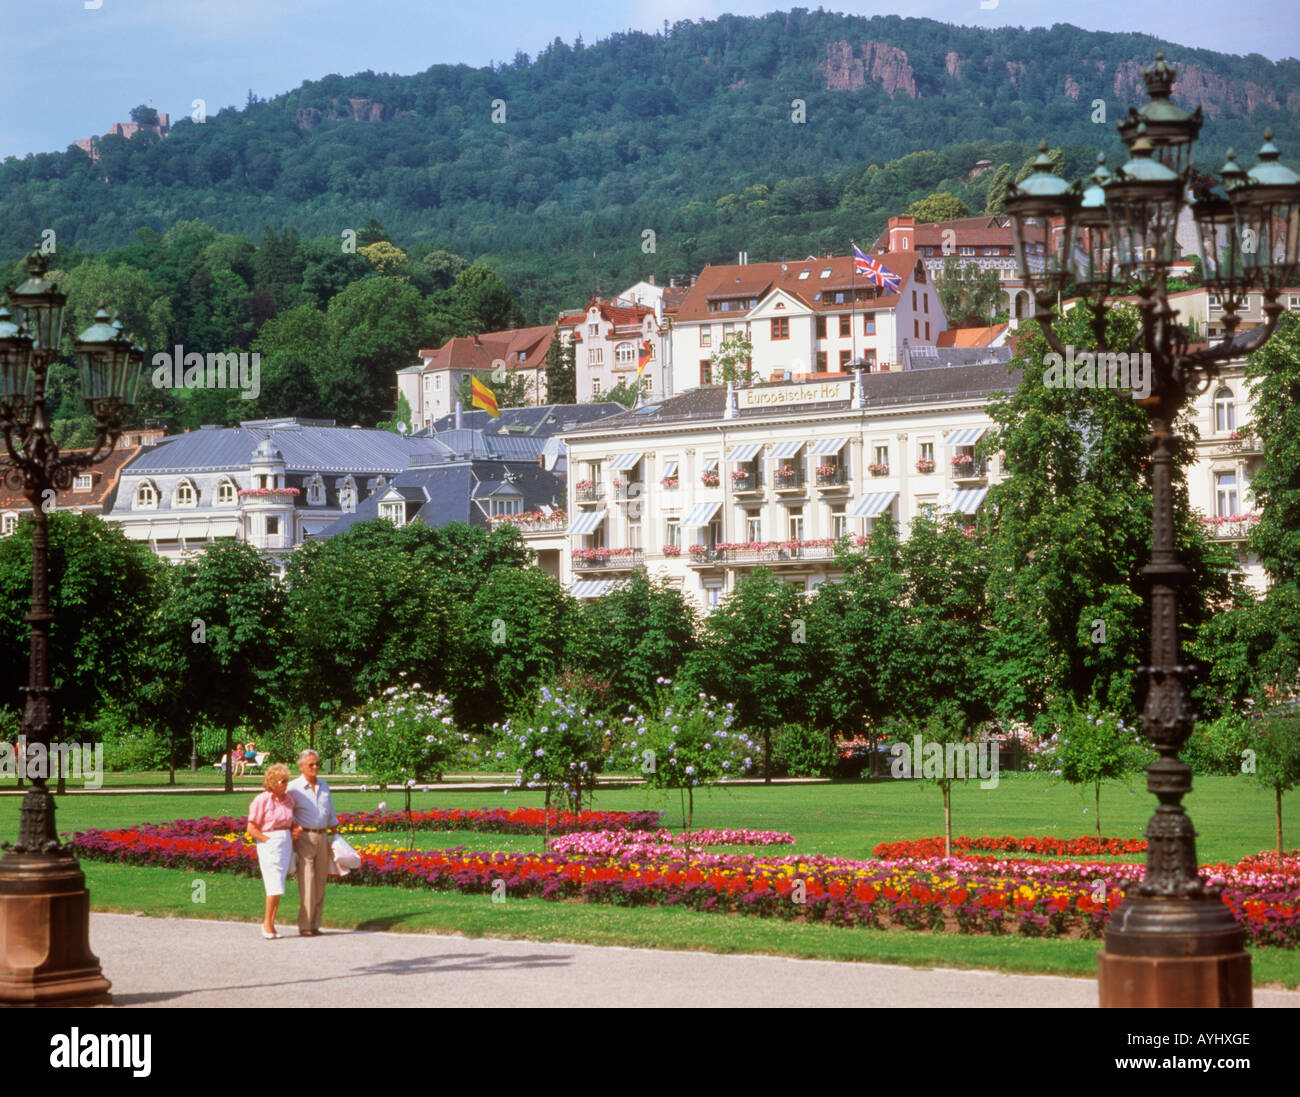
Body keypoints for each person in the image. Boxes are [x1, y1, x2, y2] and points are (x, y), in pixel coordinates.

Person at [287, 749, 339, 937]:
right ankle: (305, 925)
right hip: (305, 837)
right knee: (307, 880)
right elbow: (286, 812)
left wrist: (335, 833)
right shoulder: (293, 788)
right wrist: (293, 827)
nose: (315, 767)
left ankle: (315, 923)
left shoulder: (324, 785)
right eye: (311, 764)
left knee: (320, 881)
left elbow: (330, 811)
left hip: (323, 836)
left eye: (317, 764)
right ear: (301, 767)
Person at [246, 763, 301, 939]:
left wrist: (295, 829)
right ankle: (267, 924)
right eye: (282, 781)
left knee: (279, 885)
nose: (286, 784)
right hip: (269, 843)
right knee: (273, 884)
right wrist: (268, 841)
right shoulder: (262, 800)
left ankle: (271, 923)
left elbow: (290, 822)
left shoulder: (289, 800)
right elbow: (251, 828)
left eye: (287, 781)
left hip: (285, 843)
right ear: (272, 782)